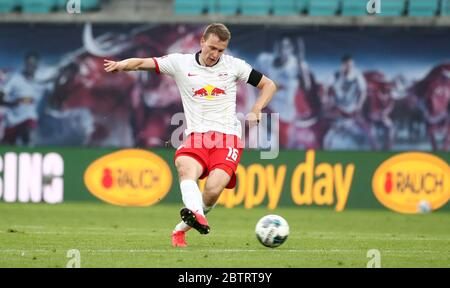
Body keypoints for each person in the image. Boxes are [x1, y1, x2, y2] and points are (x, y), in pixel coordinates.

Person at [104, 23, 277, 247]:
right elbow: (142, 63)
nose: (215, 55)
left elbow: (269, 85)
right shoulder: (180, 63)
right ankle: (197, 213)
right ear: (202, 42)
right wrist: (121, 65)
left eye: (221, 50)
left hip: (228, 139)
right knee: (185, 167)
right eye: (212, 48)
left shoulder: (235, 66)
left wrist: (256, 109)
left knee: (213, 191)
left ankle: (180, 229)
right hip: (197, 136)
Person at [0, 52, 46, 145]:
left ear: (37, 66)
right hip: (11, 120)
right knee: (7, 146)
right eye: (29, 64)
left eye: (33, 64)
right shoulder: (15, 78)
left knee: (27, 135)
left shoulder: (40, 83)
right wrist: (11, 103)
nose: (31, 66)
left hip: (29, 118)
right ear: (25, 64)